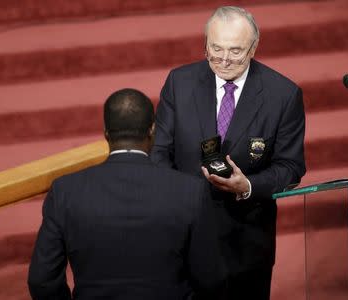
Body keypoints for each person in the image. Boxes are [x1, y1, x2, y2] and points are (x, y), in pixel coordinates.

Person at [151, 6, 306, 300]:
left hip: (246, 242)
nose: (223, 59)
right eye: (215, 48)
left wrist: (247, 186)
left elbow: (291, 166)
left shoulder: (283, 95)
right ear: (205, 43)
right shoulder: (179, 83)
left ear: (254, 47)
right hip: (183, 237)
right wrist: (176, 200)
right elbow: (159, 151)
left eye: (235, 51)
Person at [28, 88, 226, 300]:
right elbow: (211, 279)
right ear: (152, 130)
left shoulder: (65, 191)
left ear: (106, 132)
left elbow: (42, 280)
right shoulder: (190, 190)